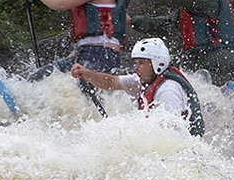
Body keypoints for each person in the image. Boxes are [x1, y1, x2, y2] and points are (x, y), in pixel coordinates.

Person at [18, 0, 126, 106]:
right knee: (38, 77)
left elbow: (59, 3)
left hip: (100, 55)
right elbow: (123, 22)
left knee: (87, 98)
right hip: (90, 53)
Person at [71, 37, 205, 137]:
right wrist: (86, 73)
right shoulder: (142, 80)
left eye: (141, 63)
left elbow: (169, 134)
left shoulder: (168, 89)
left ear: (157, 62)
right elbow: (110, 82)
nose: (136, 68)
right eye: (135, 63)